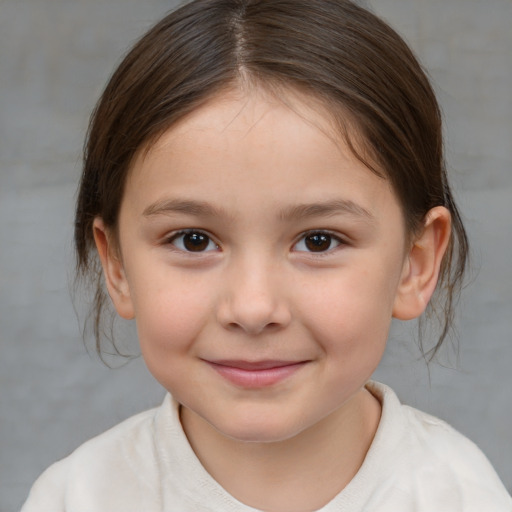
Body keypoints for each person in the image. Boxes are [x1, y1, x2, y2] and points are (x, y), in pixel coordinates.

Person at [22, 0, 512, 510]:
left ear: (416, 263)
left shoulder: (462, 495)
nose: (253, 309)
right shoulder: (76, 497)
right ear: (117, 265)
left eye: (319, 240)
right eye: (193, 240)